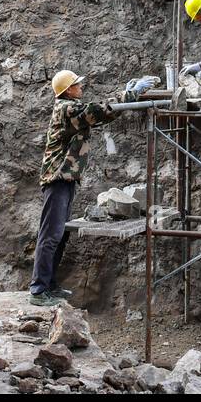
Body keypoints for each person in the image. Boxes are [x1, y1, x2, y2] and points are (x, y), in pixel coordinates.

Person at [30, 69, 158, 307]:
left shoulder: (70, 108)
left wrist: (126, 94)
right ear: (68, 89)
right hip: (57, 179)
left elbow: (103, 115)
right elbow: (97, 111)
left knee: (58, 235)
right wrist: (129, 94)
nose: (81, 87)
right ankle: (38, 290)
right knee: (50, 236)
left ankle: (49, 285)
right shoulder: (66, 109)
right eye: (77, 84)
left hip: (65, 179)